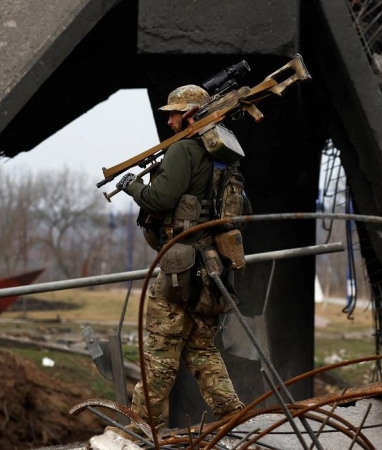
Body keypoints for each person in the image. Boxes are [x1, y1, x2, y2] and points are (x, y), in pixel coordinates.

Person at [109, 84, 245, 436]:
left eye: (173, 113)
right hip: (212, 266)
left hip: (179, 270)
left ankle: (137, 430)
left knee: (158, 353)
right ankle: (235, 416)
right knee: (201, 348)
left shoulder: (184, 149)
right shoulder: (222, 154)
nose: (169, 121)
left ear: (189, 115)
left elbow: (159, 198)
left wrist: (131, 187)